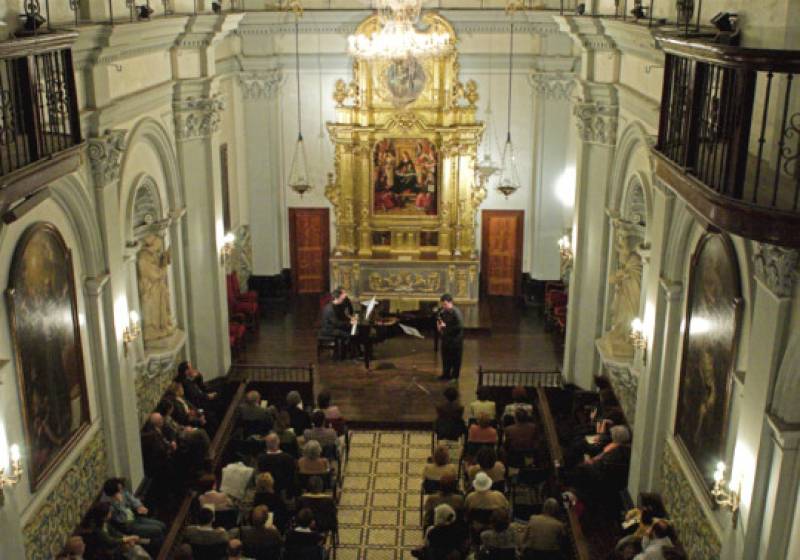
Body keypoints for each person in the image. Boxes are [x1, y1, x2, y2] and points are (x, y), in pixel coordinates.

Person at [100, 478, 165, 553]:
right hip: (128, 526)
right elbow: (122, 519)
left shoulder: (120, 491)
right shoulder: (108, 505)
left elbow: (131, 498)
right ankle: (160, 550)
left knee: (162, 526)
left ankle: (155, 544)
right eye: (119, 489)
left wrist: (139, 506)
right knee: (158, 530)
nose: (121, 491)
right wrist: (119, 503)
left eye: (121, 488)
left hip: (135, 518)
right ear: (113, 493)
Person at [320, 287, 357, 358]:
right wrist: (350, 323)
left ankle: (350, 351)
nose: (343, 300)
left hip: (335, 326)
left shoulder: (338, 305)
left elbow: (342, 316)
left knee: (353, 332)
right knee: (349, 335)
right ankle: (344, 355)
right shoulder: (330, 309)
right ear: (337, 298)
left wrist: (350, 319)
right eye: (342, 299)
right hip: (329, 329)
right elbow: (336, 323)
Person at [257, 433, 297, 497]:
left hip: (266, 494)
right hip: (284, 493)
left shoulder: (261, 459)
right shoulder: (289, 458)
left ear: (266, 444)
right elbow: (292, 478)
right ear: (278, 442)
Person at [437, 294, 464, 380]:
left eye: (445, 304)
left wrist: (446, 326)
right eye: (442, 304)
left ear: (450, 303)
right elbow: (440, 320)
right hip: (446, 339)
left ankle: (454, 376)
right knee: (445, 358)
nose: (443, 306)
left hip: (455, 340)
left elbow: (459, 326)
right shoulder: (443, 311)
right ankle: (445, 374)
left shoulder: (456, 312)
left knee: (455, 359)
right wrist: (439, 325)